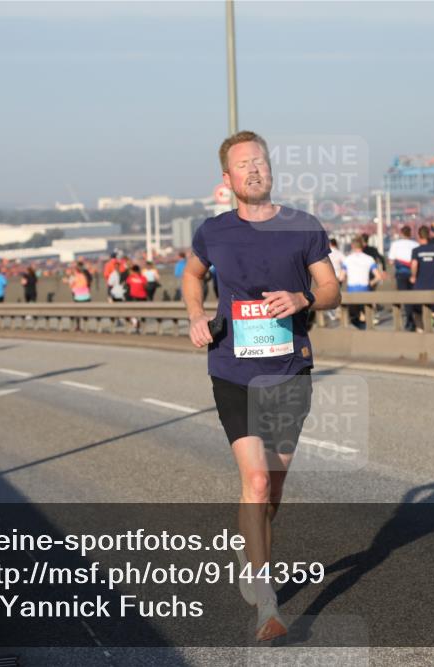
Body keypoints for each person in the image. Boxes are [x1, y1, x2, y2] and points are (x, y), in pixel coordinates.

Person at [182, 131, 340, 642]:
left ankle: (248, 547)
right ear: (226, 180)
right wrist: (195, 313)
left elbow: (332, 290)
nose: (254, 169)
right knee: (253, 482)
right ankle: (267, 604)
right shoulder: (213, 231)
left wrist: (303, 299)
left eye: (260, 161)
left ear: (271, 170)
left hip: (289, 371)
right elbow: (191, 275)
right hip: (232, 370)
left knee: (271, 491)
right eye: (243, 164)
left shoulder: (303, 227)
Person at [409, 225, 434, 332]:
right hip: (433, 285)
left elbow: (414, 264)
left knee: (417, 311)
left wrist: (413, 276)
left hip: (419, 285)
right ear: (429, 235)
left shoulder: (416, 251)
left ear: (419, 236)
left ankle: (420, 331)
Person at [342, 237, 383, 329]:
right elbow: (378, 276)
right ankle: (365, 327)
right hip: (365, 289)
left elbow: (341, 277)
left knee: (354, 316)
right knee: (364, 313)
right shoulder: (369, 259)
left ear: (352, 246)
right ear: (363, 246)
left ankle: (361, 328)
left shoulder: (347, 259)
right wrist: (371, 283)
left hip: (352, 290)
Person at [388, 225, 419, 331]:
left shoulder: (395, 244)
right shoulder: (416, 244)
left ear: (401, 233)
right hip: (414, 273)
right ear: (410, 233)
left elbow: (391, 261)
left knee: (405, 297)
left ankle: (409, 320)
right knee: (414, 297)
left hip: (401, 274)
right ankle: (414, 320)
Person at [125, 263, 149, 332]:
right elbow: (146, 286)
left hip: (134, 297)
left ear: (132, 271)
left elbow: (127, 284)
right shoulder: (143, 278)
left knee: (132, 312)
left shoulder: (130, 278)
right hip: (143, 297)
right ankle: (141, 324)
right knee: (142, 312)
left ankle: (136, 324)